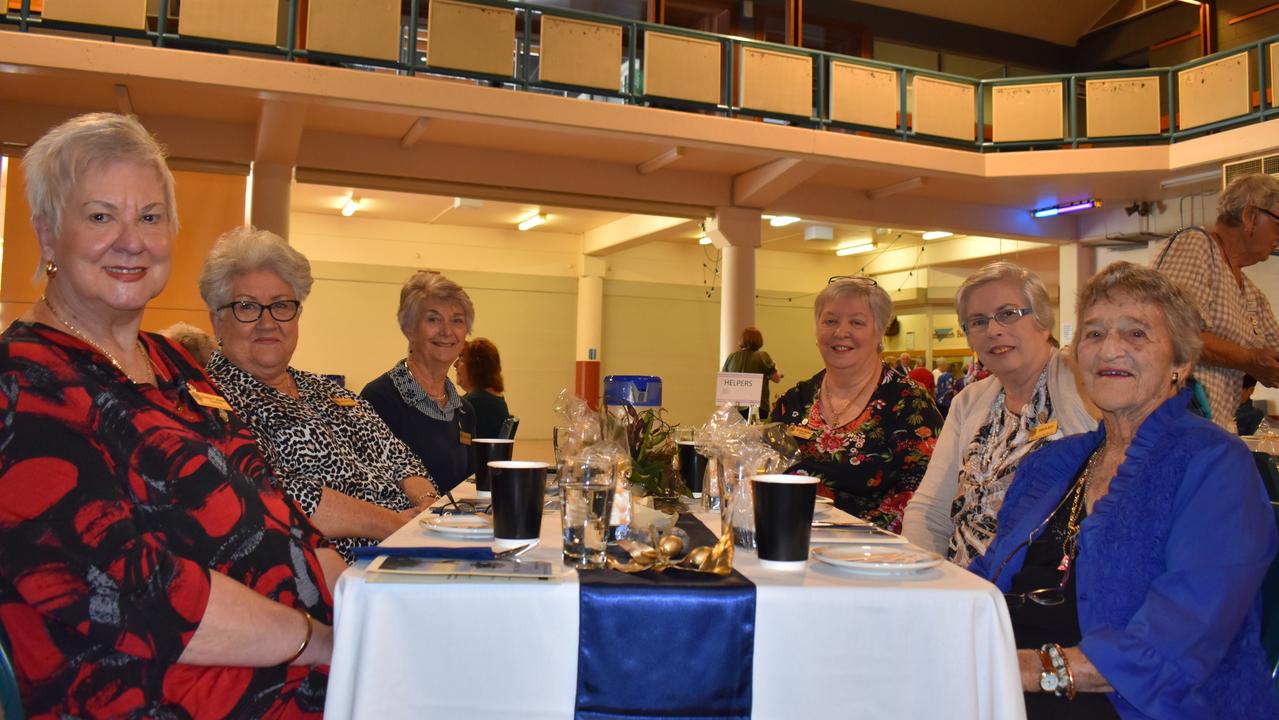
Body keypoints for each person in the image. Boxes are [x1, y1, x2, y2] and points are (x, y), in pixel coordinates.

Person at [0, 113, 336, 718]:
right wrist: (321, 644)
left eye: (150, 217)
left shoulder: (174, 363)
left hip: (292, 667)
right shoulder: (23, 384)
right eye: (101, 216)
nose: (132, 240)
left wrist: (378, 613)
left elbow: (280, 511)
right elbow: (136, 591)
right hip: (156, 695)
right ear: (48, 235)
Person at [971, 262, 1278, 719]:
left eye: (1136, 334)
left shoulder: (1214, 464)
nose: (1109, 350)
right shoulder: (1051, 461)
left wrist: (1030, 669)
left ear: (1180, 362)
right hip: (1011, 685)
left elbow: (1180, 639)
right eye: (1093, 335)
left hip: (1136, 702)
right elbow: (986, 575)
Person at [201, 227, 437, 562]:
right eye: (247, 306)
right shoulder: (211, 401)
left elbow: (396, 454)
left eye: (282, 305)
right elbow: (271, 493)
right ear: (217, 320)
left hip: (407, 548)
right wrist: (393, 525)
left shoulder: (325, 389)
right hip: (336, 577)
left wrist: (427, 502)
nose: (268, 322)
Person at [903, 262, 1096, 565]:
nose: (993, 330)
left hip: (1043, 588)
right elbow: (929, 510)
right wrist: (924, 577)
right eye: (977, 322)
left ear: (1043, 321)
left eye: (1008, 314)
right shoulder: (968, 402)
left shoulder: (1083, 383)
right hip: (960, 585)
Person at [770, 277, 942, 532]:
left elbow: (925, 500)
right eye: (830, 321)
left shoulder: (910, 403)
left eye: (857, 322)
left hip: (876, 554)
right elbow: (767, 475)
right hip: (791, 541)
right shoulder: (793, 401)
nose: (841, 332)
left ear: (880, 331)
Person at [1151, 173, 1279, 431]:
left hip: (1209, 427)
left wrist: (1258, 362)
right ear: (1250, 216)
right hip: (1173, 422)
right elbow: (1173, 333)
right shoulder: (1195, 245)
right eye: (1278, 224)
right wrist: (1250, 358)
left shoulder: (1251, 294)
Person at [363, 271, 477, 494]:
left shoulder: (465, 411)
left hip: (457, 526)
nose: (447, 331)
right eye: (433, 319)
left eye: (457, 321)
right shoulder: (379, 400)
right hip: (401, 528)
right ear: (409, 329)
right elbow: (372, 490)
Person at [457, 337, 511, 439]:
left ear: (475, 367)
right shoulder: (494, 399)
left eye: (462, 359)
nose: (456, 366)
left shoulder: (475, 403)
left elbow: (457, 440)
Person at [721, 325, 781, 412]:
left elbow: (724, 381)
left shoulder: (731, 357)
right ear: (759, 340)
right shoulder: (762, 356)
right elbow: (776, 379)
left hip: (734, 408)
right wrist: (775, 367)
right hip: (757, 408)